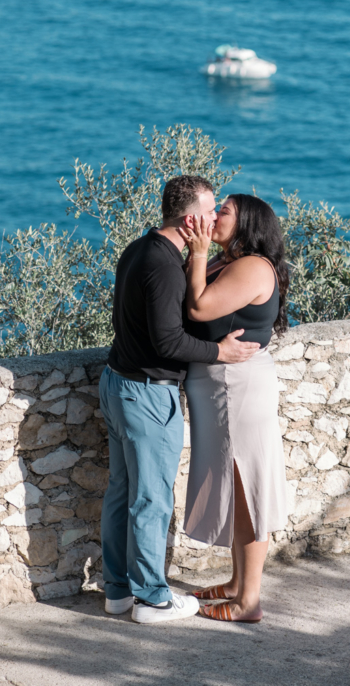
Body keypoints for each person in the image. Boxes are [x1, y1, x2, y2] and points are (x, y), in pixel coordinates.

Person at [99, 175, 261, 624]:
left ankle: (117, 591)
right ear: (191, 218)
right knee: (151, 499)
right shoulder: (166, 266)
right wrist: (219, 351)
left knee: (121, 492)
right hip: (148, 395)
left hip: (117, 383)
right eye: (211, 212)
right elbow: (169, 341)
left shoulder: (138, 249)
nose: (214, 220)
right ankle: (152, 599)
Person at [178, 193, 289, 624]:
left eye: (223, 210)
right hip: (221, 385)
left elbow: (200, 306)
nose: (213, 215)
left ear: (247, 224)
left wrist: (199, 254)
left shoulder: (251, 267)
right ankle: (237, 583)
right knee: (236, 486)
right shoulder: (232, 262)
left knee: (249, 488)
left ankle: (249, 601)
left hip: (237, 387)